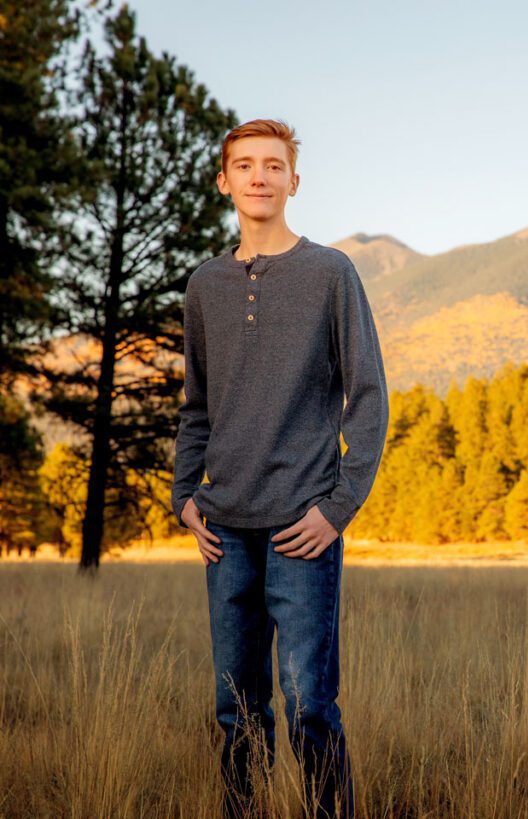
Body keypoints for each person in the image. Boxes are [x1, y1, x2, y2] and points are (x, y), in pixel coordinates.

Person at [171, 118, 389, 819]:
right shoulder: (204, 285)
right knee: (236, 711)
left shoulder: (330, 273)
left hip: (303, 527)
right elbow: (197, 405)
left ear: (294, 180)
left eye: (273, 164)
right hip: (224, 530)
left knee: (310, 707)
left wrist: (337, 507)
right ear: (224, 180)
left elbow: (369, 398)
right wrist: (184, 496)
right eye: (245, 164)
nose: (259, 175)